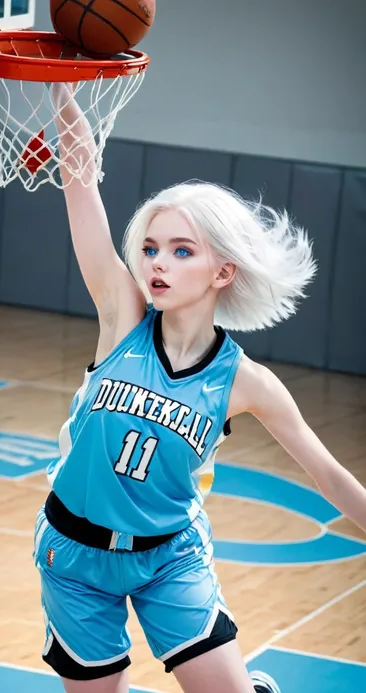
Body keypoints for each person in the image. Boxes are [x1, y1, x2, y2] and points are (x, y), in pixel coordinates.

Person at [33, 83, 366, 693]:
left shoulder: (245, 381)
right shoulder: (122, 316)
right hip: (74, 554)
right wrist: (62, 96)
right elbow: (82, 190)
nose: (158, 262)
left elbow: (330, 477)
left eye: (182, 250)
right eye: (152, 248)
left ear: (222, 271)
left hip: (169, 556)